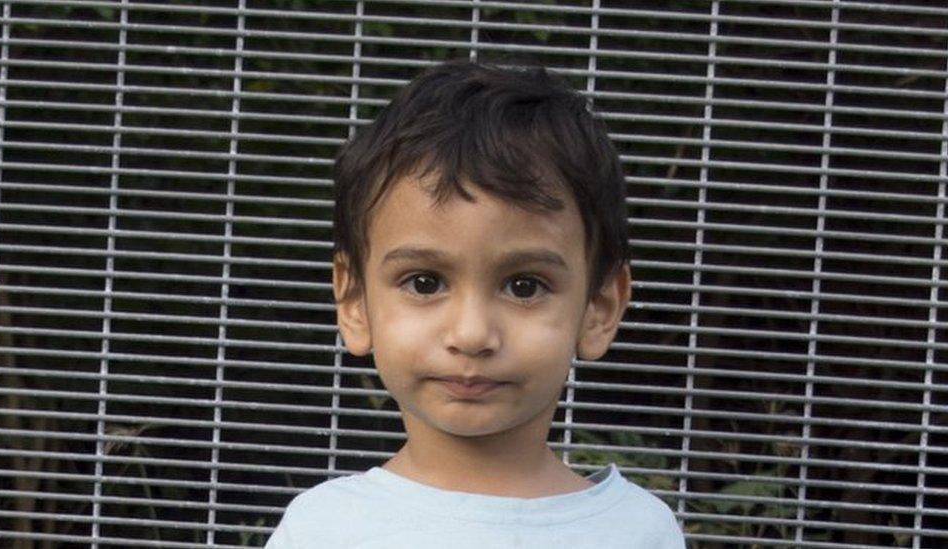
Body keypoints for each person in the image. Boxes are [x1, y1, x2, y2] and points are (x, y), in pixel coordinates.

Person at [265, 59, 685, 548]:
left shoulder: (639, 533)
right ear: (355, 300)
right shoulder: (322, 530)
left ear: (600, 307)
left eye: (524, 286)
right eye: (424, 283)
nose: (470, 334)